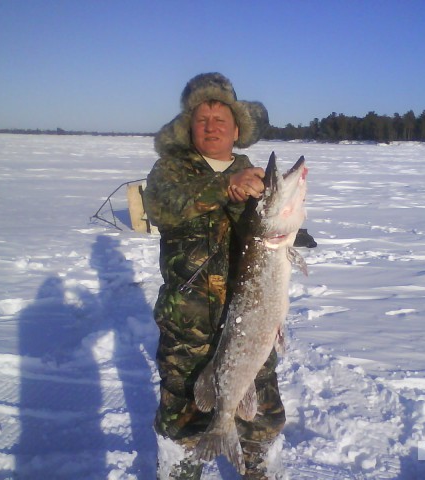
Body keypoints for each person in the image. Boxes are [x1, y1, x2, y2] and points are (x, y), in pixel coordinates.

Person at [143, 73, 286, 479]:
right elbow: (164, 207)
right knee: (182, 427)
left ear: (237, 129)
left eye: (221, 119)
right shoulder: (171, 171)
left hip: (248, 326)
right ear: (189, 127)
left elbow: (268, 232)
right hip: (189, 331)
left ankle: (262, 468)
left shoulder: (254, 176)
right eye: (202, 119)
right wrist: (225, 188)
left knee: (260, 422)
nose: (211, 126)